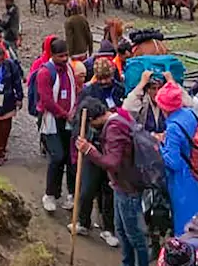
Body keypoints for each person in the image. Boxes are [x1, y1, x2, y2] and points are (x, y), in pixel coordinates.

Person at [75, 105, 151, 266]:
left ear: (93, 120)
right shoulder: (120, 115)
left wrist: (89, 150)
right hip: (122, 184)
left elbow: (112, 162)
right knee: (122, 231)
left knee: (134, 234)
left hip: (128, 187)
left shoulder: (114, 130)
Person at [36, 37, 82, 213]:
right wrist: (64, 114)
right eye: (61, 56)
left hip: (68, 119)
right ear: (52, 55)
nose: (65, 59)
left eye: (66, 55)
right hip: (51, 120)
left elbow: (75, 90)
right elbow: (47, 100)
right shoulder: (45, 73)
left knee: (71, 157)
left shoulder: (69, 69)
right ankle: (50, 194)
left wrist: (74, 110)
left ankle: (70, 193)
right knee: (57, 157)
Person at [70, 97, 121, 248]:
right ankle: (83, 222)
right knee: (86, 191)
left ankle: (108, 229)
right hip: (91, 160)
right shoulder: (84, 121)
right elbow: (76, 134)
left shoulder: (113, 125)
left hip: (108, 161)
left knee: (108, 194)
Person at [159, 81, 198, 236]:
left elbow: (173, 162)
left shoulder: (173, 128)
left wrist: (159, 146)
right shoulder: (190, 114)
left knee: (184, 225)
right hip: (197, 173)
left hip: (182, 181)